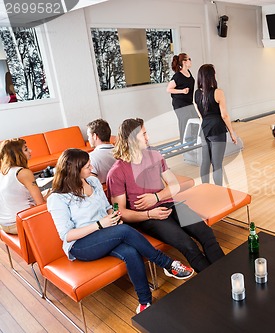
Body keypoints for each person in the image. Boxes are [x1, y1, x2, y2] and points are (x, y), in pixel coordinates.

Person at [47, 148, 193, 314]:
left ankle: (145, 302)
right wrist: (101, 224)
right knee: (124, 230)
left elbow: (108, 207)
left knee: (130, 252)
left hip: (105, 233)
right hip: (81, 244)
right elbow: (66, 235)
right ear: (74, 170)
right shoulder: (57, 198)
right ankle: (167, 263)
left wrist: (113, 216)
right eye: (87, 166)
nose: (91, 167)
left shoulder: (93, 182)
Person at [107, 118, 225, 273]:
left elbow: (174, 185)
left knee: (206, 233)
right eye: (144, 134)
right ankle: (216, 281)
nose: (147, 137)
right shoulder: (117, 172)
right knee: (188, 245)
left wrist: (156, 197)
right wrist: (150, 214)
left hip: (169, 204)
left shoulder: (155, 156)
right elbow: (121, 212)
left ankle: (227, 273)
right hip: (147, 217)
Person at [194, 64, 237, 186]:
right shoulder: (218, 92)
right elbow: (224, 115)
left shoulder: (197, 93)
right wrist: (232, 133)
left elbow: (200, 115)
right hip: (217, 129)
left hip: (204, 129)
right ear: (211, 76)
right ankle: (218, 191)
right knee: (217, 164)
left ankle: (205, 189)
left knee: (205, 162)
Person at [0, 138, 46, 234]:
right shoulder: (23, 173)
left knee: (49, 192)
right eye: (26, 149)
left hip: (5, 224)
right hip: (19, 224)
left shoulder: (3, 172)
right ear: (16, 154)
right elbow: (41, 204)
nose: (30, 151)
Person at [166, 53, 199, 142]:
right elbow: (169, 89)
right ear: (184, 62)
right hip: (179, 104)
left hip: (188, 102)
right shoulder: (178, 75)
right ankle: (184, 144)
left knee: (196, 120)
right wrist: (182, 91)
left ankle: (194, 142)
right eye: (189, 59)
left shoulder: (188, 73)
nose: (190, 61)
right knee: (185, 122)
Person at [87, 118, 116, 183]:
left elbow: (91, 185)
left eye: (88, 136)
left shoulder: (91, 158)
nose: (88, 139)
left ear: (94, 136)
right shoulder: (121, 152)